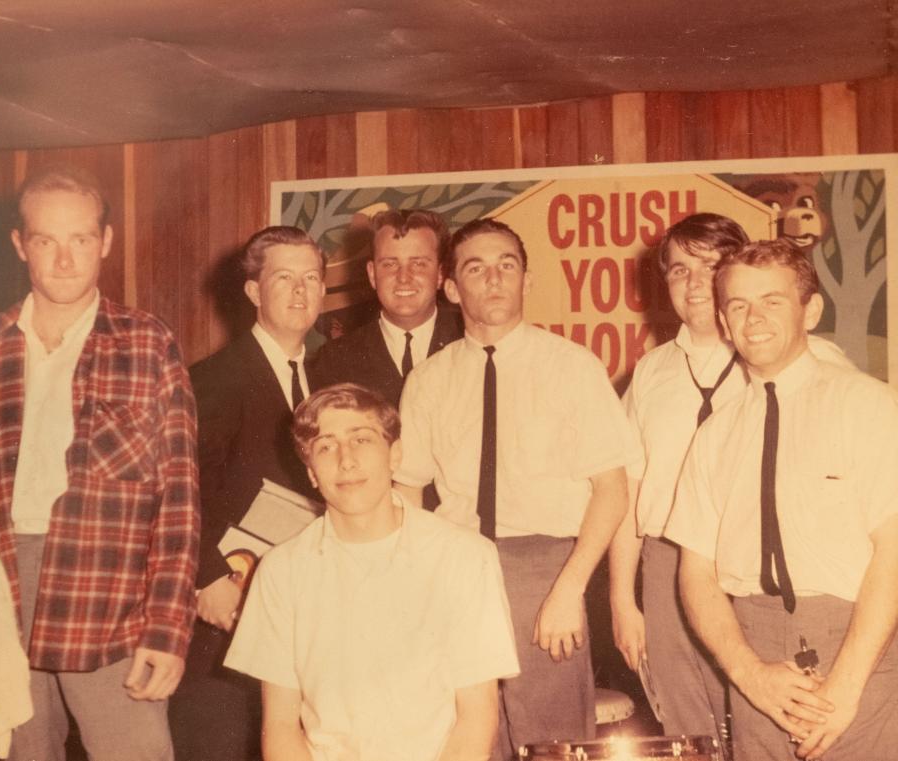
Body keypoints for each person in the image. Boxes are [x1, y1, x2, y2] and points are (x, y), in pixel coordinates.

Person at [0, 165, 200, 761]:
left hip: (112, 598)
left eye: (80, 239)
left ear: (105, 242)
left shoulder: (149, 343)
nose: (64, 260)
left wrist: (167, 627)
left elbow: (178, 499)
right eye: (45, 241)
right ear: (19, 245)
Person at [394, 218, 636, 758]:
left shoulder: (573, 367)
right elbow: (407, 489)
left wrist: (569, 589)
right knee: (465, 734)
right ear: (452, 288)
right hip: (455, 564)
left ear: (527, 281)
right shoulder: (429, 379)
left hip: (545, 566)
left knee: (550, 740)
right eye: (476, 268)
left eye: (508, 265)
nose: (495, 279)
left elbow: (612, 490)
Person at [609, 214, 852, 743]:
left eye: (709, 267)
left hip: (760, 565)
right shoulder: (651, 371)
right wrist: (623, 600)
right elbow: (629, 494)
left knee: (771, 720)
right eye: (678, 271)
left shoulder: (794, 356)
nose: (694, 284)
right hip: (669, 563)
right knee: (687, 726)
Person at [665, 238, 898, 761]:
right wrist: (750, 676)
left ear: (810, 310)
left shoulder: (869, 406)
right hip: (755, 651)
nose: (754, 319)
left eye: (772, 301)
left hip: (860, 644)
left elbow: (894, 552)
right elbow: (695, 573)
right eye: (738, 306)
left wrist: (846, 687)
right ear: (723, 323)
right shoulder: (715, 434)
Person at [225, 383, 519, 761]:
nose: (346, 460)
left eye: (362, 440)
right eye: (326, 447)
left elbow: (477, 720)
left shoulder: (464, 557)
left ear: (395, 454)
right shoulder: (281, 571)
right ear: (311, 472)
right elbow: (281, 728)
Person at [169, 225, 326, 761]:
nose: (301, 292)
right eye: (284, 278)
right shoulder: (210, 379)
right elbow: (178, 489)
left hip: (307, 611)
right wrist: (206, 577)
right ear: (254, 291)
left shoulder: (331, 378)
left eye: (311, 278)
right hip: (224, 610)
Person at [312, 208, 462, 408]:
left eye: (418, 264)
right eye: (390, 264)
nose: (403, 277)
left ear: (441, 274)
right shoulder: (334, 360)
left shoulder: (471, 341)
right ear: (373, 275)